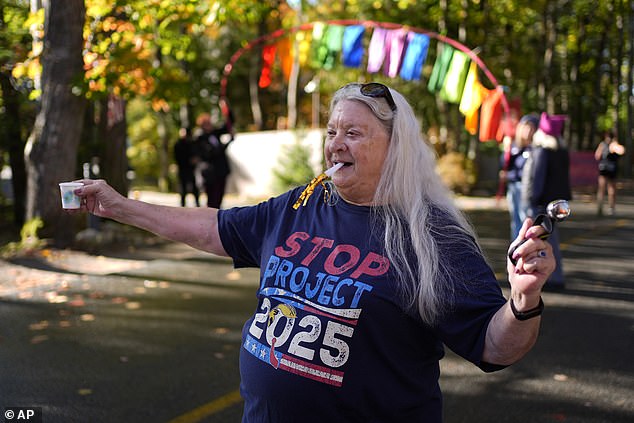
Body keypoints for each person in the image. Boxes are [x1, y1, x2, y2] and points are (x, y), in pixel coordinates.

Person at [73, 82, 555, 422]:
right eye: (331, 131)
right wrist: (119, 207)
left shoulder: (433, 235)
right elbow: (216, 228)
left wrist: (523, 299)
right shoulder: (304, 201)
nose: (334, 145)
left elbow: (495, 346)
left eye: (353, 133)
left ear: (396, 147)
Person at [521, 112, 571, 291]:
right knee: (549, 241)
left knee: (545, 242)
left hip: (542, 204)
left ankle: (552, 277)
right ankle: (551, 275)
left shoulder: (542, 151)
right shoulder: (561, 151)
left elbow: (537, 181)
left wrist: (530, 201)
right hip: (556, 204)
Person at [500, 114, 538, 239]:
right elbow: (505, 164)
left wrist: (508, 175)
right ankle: (515, 246)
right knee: (515, 219)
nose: (528, 131)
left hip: (526, 189)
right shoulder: (514, 146)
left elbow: (527, 172)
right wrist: (506, 149)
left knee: (525, 219)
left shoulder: (535, 149)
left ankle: (526, 246)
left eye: (531, 128)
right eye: (526, 127)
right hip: (513, 188)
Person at [196, 100, 235, 208]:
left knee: (219, 198)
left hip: (221, 170)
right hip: (210, 173)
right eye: (207, 123)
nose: (210, 124)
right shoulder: (200, 139)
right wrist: (228, 142)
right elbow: (211, 153)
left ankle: (217, 219)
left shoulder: (215, 133)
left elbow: (229, 124)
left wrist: (226, 109)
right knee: (212, 200)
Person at [595, 130, 625, 216]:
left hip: (605, 168)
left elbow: (597, 156)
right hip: (610, 169)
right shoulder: (611, 144)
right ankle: (610, 207)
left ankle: (602, 207)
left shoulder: (604, 144)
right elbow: (622, 151)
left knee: (603, 188)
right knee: (609, 188)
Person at [173, 127, 201, 207]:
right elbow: (178, 157)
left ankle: (197, 203)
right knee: (183, 188)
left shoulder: (192, 143)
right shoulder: (178, 144)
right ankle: (183, 204)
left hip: (191, 169)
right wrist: (188, 160)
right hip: (183, 169)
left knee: (194, 187)